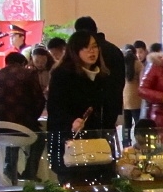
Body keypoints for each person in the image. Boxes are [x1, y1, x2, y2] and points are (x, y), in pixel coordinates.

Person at [45, 30, 114, 178]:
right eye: (85, 47)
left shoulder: (102, 76)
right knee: (74, 181)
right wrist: (71, 121)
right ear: (75, 50)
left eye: (94, 46)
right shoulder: (62, 74)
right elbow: (55, 107)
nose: (92, 51)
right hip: (69, 141)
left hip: (96, 142)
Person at [0, 51, 46, 182]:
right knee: (40, 137)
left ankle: (9, 166)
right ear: (23, 63)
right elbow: (40, 100)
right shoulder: (29, 74)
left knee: (11, 137)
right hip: (22, 124)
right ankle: (30, 172)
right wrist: (34, 118)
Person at [73, 16, 125, 128]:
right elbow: (121, 80)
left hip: (90, 108)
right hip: (112, 103)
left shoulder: (81, 52)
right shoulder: (115, 50)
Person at [121, 45, 142, 143]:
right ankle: (139, 142)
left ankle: (126, 142)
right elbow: (142, 80)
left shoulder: (121, 63)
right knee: (138, 122)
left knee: (126, 124)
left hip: (124, 97)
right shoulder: (138, 64)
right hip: (136, 98)